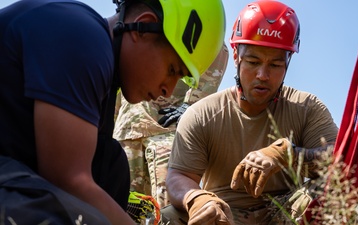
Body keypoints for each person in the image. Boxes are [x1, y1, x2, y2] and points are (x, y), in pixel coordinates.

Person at [0, 0, 225, 224]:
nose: (168, 91)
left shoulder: (105, 79)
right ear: (143, 27)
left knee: (110, 166)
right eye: (172, 70)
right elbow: (68, 179)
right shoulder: (82, 37)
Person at [162, 1, 339, 225]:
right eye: (253, 62)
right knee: (169, 217)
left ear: (288, 62)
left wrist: (289, 155)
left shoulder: (307, 108)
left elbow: (342, 162)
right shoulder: (202, 114)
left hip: (284, 214)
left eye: (275, 65)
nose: (263, 75)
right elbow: (178, 177)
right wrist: (197, 199)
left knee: (329, 192)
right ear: (236, 56)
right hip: (224, 216)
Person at [113, 43, 229, 210]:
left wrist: (191, 104)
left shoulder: (194, 28)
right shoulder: (147, 29)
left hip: (165, 133)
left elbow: (215, 49)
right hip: (128, 130)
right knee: (122, 206)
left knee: (169, 208)